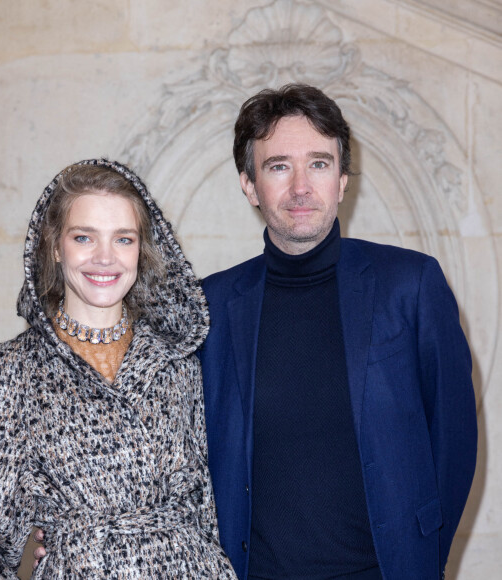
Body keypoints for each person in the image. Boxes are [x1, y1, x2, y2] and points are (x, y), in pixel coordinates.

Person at [199, 84, 477, 579]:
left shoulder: (410, 285)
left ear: (343, 180)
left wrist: (423, 561)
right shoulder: (210, 307)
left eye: (320, 164)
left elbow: (453, 442)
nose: (301, 187)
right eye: (279, 165)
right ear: (249, 185)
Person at [0, 159, 237, 578]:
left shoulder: (176, 361)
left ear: (142, 249)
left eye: (124, 239)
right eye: (83, 237)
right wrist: (23, 561)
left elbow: (203, 509)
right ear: (55, 246)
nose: (105, 258)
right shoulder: (7, 372)